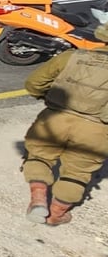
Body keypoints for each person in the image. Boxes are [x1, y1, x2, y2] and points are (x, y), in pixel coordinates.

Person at [20, 24, 108, 226]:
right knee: (78, 172)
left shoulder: (72, 56)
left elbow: (33, 83)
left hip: (55, 118)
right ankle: (56, 214)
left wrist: (45, 99)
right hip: (96, 129)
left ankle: (38, 199)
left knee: (39, 156)